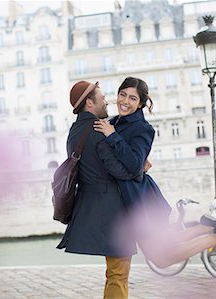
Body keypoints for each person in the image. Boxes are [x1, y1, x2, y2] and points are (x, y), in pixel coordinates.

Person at [93, 77, 216, 268]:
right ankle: (207, 227)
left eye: (132, 98)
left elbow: (134, 165)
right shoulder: (113, 122)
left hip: (138, 201)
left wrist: (113, 136)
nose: (125, 101)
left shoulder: (142, 129)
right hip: (129, 199)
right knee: (167, 242)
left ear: (141, 103)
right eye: (122, 94)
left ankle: (214, 238)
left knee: (161, 258)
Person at [57, 81, 140, 299]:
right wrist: (140, 169)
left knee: (114, 272)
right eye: (102, 98)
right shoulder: (97, 130)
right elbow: (120, 171)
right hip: (110, 210)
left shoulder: (75, 131)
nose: (107, 102)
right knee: (118, 272)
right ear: (89, 103)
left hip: (91, 206)